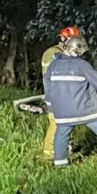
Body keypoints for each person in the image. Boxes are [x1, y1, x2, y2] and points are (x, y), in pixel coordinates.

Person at [43, 33, 97, 167]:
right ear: (77, 50)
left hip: (62, 113)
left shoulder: (53, 65)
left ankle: (60, 164)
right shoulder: (81, 64)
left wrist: (51, 108)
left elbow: (47, 88)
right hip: (85, 110)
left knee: (61, 134)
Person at [40, 26, 82, 158]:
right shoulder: (51, 53)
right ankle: (49, 153)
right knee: (56, 121)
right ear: (63, 38)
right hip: (55, 93)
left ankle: (63, 147)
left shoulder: (71, 53)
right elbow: (53, 73)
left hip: (67, 93)